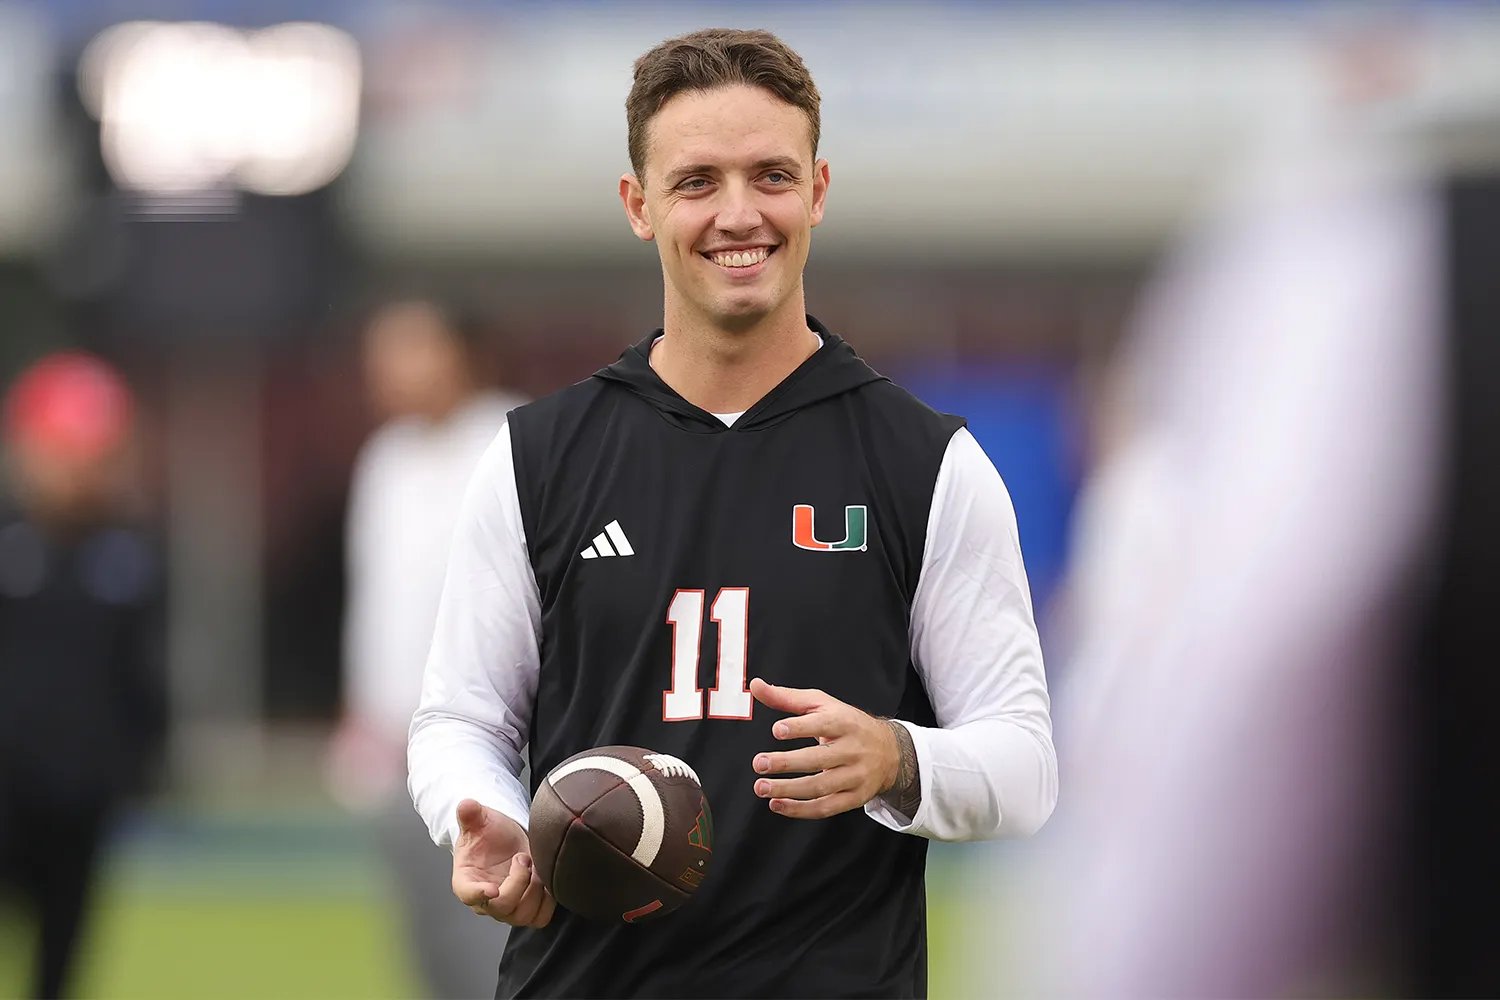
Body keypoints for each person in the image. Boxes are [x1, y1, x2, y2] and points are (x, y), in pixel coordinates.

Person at [408, 28, 1057, 999]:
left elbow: (1025, 767)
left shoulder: (927, 463)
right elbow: (459, 718)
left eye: (772, 175)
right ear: (639, 205)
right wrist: (485, 811)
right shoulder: (536, 457)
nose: (739, 214)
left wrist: (895, 756)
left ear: (820, 190)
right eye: (698, 181)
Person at [329, 298, 526, 998]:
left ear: (462, 353)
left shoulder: (515, 441)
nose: (390, 371)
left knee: (495, 943)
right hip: (395, 749)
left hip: (495, 747)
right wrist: (359, 717)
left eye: (411, 350)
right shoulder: (385, 459)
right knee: (426, 950)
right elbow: (376, 605)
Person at [0, 352, 167, 999]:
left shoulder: (129, 557)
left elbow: (140, 679)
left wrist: (141, 764)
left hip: (82, 800)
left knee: (61, 957)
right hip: (6, 791)